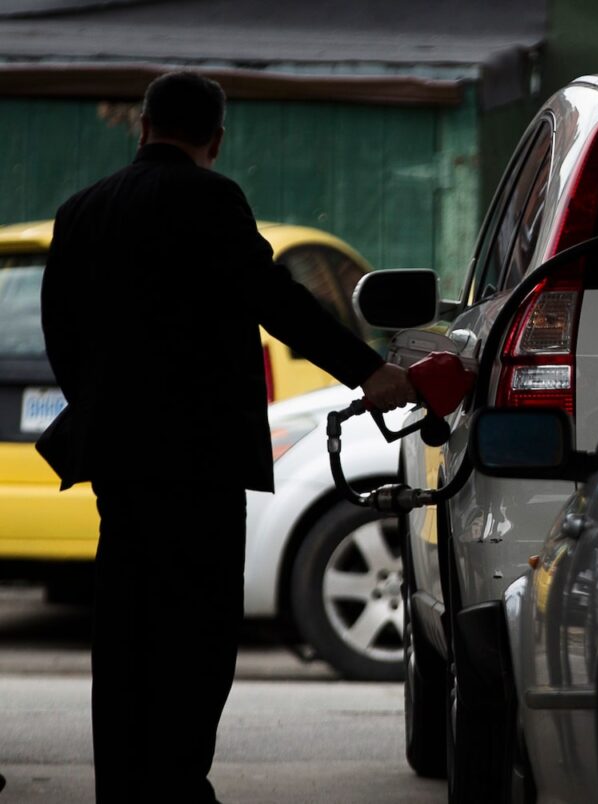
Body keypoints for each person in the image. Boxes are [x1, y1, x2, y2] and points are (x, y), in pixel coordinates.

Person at [36, 72, 415, 803]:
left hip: (118, 461)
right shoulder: (211, 198)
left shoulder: (81, 210)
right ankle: (178, 785)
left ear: (143, 126)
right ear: (216, 138)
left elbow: (61, 330)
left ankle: (124, 788)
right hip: (200, 461)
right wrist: (369, 373)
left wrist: (100, 409)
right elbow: (277, 302)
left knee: (125, 632)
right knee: (198, 632)